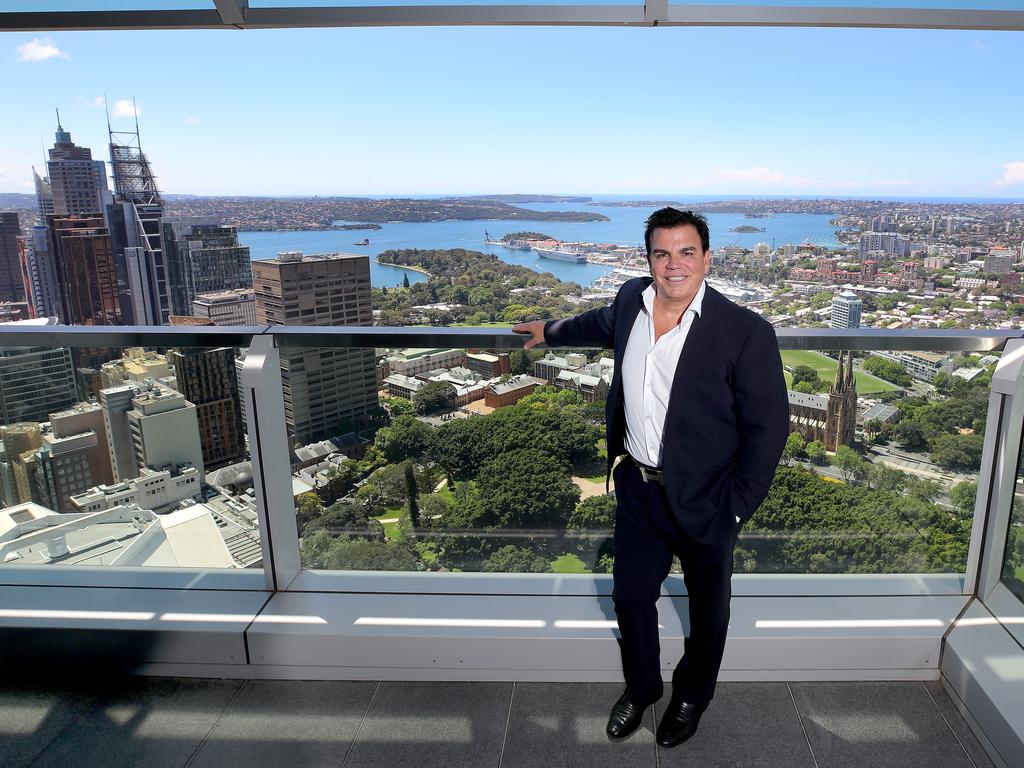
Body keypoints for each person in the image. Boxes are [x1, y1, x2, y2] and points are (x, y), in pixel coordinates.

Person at [513, 208, 788, 748]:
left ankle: (692, 696)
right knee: (630, 596)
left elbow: (768, 430)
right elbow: (594, 324)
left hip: (709, 499)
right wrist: (550, 331)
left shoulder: (746, 332)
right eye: (662, 253)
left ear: (707, 259)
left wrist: (735, 508)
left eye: (687, 252)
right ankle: (641, 689)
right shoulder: (629, 303)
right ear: (648, 260)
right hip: (638, 487)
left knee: (709, 613)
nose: (674, 264)